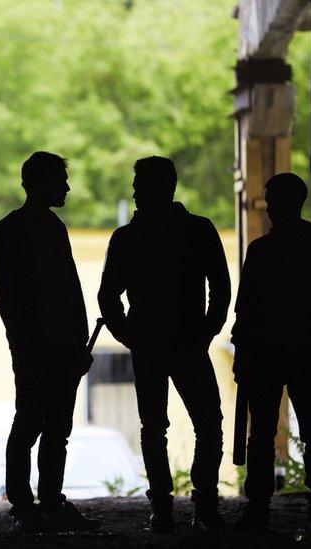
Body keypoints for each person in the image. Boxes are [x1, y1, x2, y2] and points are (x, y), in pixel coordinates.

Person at [98, 156, 230, 533]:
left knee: (156, 426)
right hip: (184, 343)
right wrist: (205, 331)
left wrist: (129, 335)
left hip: (157, 344)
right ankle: (202, 504)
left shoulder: (127, 237)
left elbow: (109, 296)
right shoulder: (199, 230)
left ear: (162, 187)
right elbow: (219, 288)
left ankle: (164, 507)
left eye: (140, 184)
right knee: (205, 423)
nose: (135, 191)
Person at [0, 151, 100, 534]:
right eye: (59, 180)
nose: (66, 187)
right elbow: (10, 298)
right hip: (40, 344)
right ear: (37, 183)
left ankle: (39, 504)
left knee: (47, 425)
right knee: (38, 424)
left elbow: (64, 290)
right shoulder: (20, 231)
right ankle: (33, 503)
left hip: (56, 343)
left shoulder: (41, 228)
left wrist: (77, 342)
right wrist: (27, 346)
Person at [232, 173, 311, 532]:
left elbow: (246, 310)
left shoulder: (266, 251)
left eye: (273, 202)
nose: (269, 210)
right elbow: (245, 310)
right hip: (292, 353)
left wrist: (250, 349)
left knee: (274, 433)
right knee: (296, 432)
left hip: (283, 353)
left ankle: (268, 507)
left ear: (292, 203)